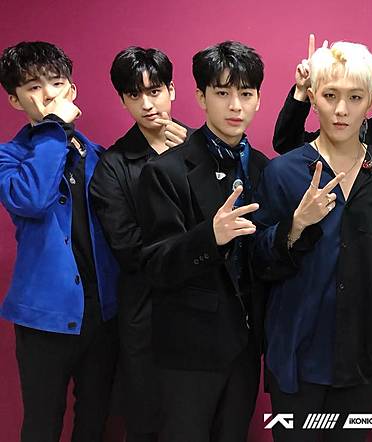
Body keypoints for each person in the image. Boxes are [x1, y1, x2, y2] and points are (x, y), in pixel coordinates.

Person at [273, 35, 372, 441]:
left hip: (364, 356)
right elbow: (258, 262)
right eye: (330, 95)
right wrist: (294, 227)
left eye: (355, 97)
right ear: (314, 98)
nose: (342, 109)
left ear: (370, 101)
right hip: (296, 355)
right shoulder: (283, 172)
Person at [135, 40, 267, 442]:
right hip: (188, 350)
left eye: (246, 94)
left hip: (246, 347)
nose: (235, 106)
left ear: (258, 99)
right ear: (200, 97)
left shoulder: (265, 169)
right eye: (222, 93)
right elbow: (156, 264)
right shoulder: (165, 171)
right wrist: (211, 235)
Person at [0, 41, 118, 442]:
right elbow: (32, 199)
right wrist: (53, 128)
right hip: (44, 317)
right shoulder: (9, 157)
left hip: (102, 312)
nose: (49, 94)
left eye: (56, 82)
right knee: (42, 424)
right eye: (33, 87)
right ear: (15, 99)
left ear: (73, 89)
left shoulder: (98, 155)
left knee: (95, 421)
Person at [89, 46, 190, 442]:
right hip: (146, 315)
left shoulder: (204, 148)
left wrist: (190, 161)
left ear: (172, 90)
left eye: (155, 90)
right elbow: (130, 250)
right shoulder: (112, 166)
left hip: (206, 315)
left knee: (200, 423)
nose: (147, 104)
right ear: (123, 100)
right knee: (146, 422)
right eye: (135, 94)